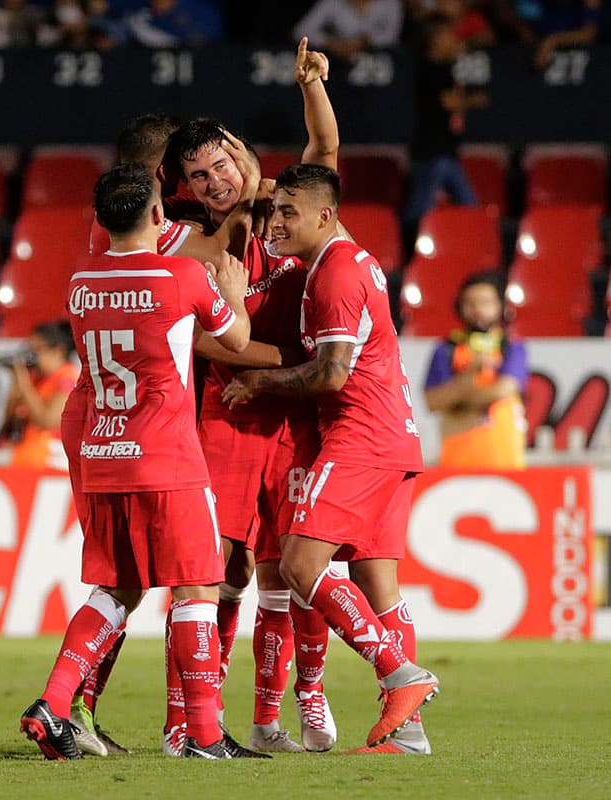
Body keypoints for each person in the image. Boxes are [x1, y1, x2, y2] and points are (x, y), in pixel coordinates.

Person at [19, 161, 268, 761]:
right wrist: (235, 294)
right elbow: (236, 340)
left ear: (102, 220)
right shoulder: (182, 275)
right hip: (167, 455)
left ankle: (54, 702)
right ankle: (203, 735)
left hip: (104, 452)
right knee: (197, 585)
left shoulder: (81, 283)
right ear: (159, 214)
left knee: (116, 589)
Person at [161, 39, 343, 756]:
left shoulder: (289, 210)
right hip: (229, 416)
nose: (214, 181)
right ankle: (189, 720)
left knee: (287, 569)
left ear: (240, 153)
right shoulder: (194, 249)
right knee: (212, 569)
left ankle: (279, 713)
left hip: (297, 416)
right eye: (198, 176)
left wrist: (312, 86)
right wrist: (296, 358)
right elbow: (212, 347)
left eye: (220, 164)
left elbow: (324, 148)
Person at [222, 164, 440, 754]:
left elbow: (331, 373)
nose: (276, 222)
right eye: (275, 210)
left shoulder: (336, 274)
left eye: (288, 212)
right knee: (378, 585)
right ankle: (408, 733)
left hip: (360, 436)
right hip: (395, 437)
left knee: (299, 565)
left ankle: (400, 673)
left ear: (324, 215)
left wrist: (260, 383)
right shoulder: (346, 259)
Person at [423, 272, 528, 470]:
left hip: (504, 461)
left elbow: (504, 389)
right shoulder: (446, 348)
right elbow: (433, 401)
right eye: (471, 303)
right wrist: (471, 371)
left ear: (500, 306)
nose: (478, 310)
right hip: (457, 462)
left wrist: (458, 402)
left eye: (485, 302)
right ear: (460, 307)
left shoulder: (511, 346)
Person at [402, 13, 485, 258]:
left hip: (445, 152)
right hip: (430, 153)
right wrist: (473, 100)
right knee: (421, 208)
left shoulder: (447, 69)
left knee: (468, 206)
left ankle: (479, 252)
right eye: (449, 35)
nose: (454, 39)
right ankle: (406, 255)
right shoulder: (429, 69)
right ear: (436, 39)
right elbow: (449, 102)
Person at [0, 320, 80, 470]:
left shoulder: (68, 379)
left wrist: (25, 386)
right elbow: (9, 422)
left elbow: (47, 421)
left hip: (52, 463)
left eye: (36, 351)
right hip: (26, 460)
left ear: (57, 351)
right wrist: (17, 382)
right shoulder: (36, 381)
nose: (31, 356)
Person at [293, 0, 404, 62]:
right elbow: (301, 31)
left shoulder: (390, 3)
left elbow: (393, 35)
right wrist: (330, 43)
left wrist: (365, 41)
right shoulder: (332, 3)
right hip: (338, 67)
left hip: (381, 65)